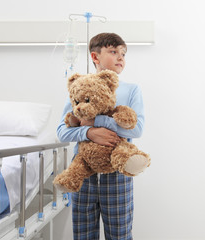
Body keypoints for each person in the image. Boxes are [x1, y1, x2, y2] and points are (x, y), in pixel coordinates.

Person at [57, 32, 145, 240]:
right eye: (113, 52)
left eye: (123, 53)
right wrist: (89, 132)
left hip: (117, 172)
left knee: (120, 233)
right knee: (83, 233)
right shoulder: (79, 88)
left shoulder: (131, 90)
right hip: (84, 171)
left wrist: (98, 122)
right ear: (95, 57)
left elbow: (136, 129)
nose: (120, 57)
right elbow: (62, 131)